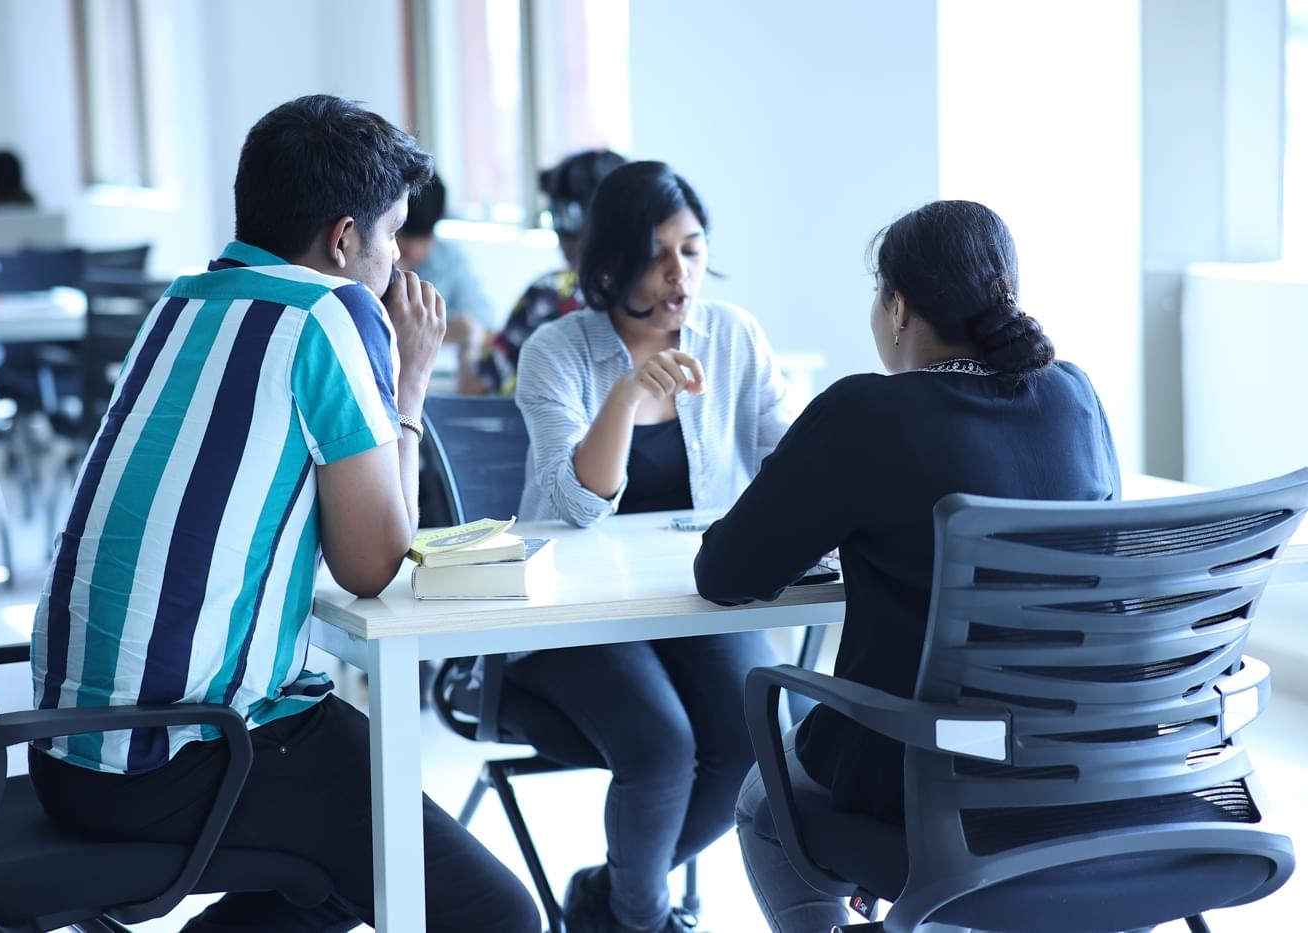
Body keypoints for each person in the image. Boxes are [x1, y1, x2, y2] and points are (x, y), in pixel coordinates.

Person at [27, 95, 540, 933]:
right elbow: (375, 565)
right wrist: (407, 386)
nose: (396, 267)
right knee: (497, 914)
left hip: (67, 747)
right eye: (392, 237)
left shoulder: (180, 303)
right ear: (344, 239)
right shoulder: (332, 312)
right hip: (189, 751)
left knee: (334, 872)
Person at [694, 200, 1121, 932]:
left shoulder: (869, 412)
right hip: (1097, 764)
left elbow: (727, 571)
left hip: (928, 774)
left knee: (765, 803)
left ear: (897, 306)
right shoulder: (1074, 394)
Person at [507, 161, 796, 932]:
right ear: (608, 266)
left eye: (693, 250)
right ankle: (640, 919)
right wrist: (628, 398)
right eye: (658, 254)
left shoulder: (732, 336)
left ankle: (613, 897)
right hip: (571, 610)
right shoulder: (556, 351)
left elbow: (791, 461)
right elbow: (574, 505)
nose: (681, 274)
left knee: (756, 739)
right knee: (662, 746)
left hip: (690, 601)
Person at [461, 148, 626, 395]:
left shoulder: (549, 294)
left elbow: (475, 389)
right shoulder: (647, 292)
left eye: (557, 213)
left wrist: (469, 341)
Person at [396, 172, 496, 360]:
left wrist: (451, 328)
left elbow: (485, 322)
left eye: (424, 239)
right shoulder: (372, 260)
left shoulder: (449, 258)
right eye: (404, 237)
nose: (414, 250)